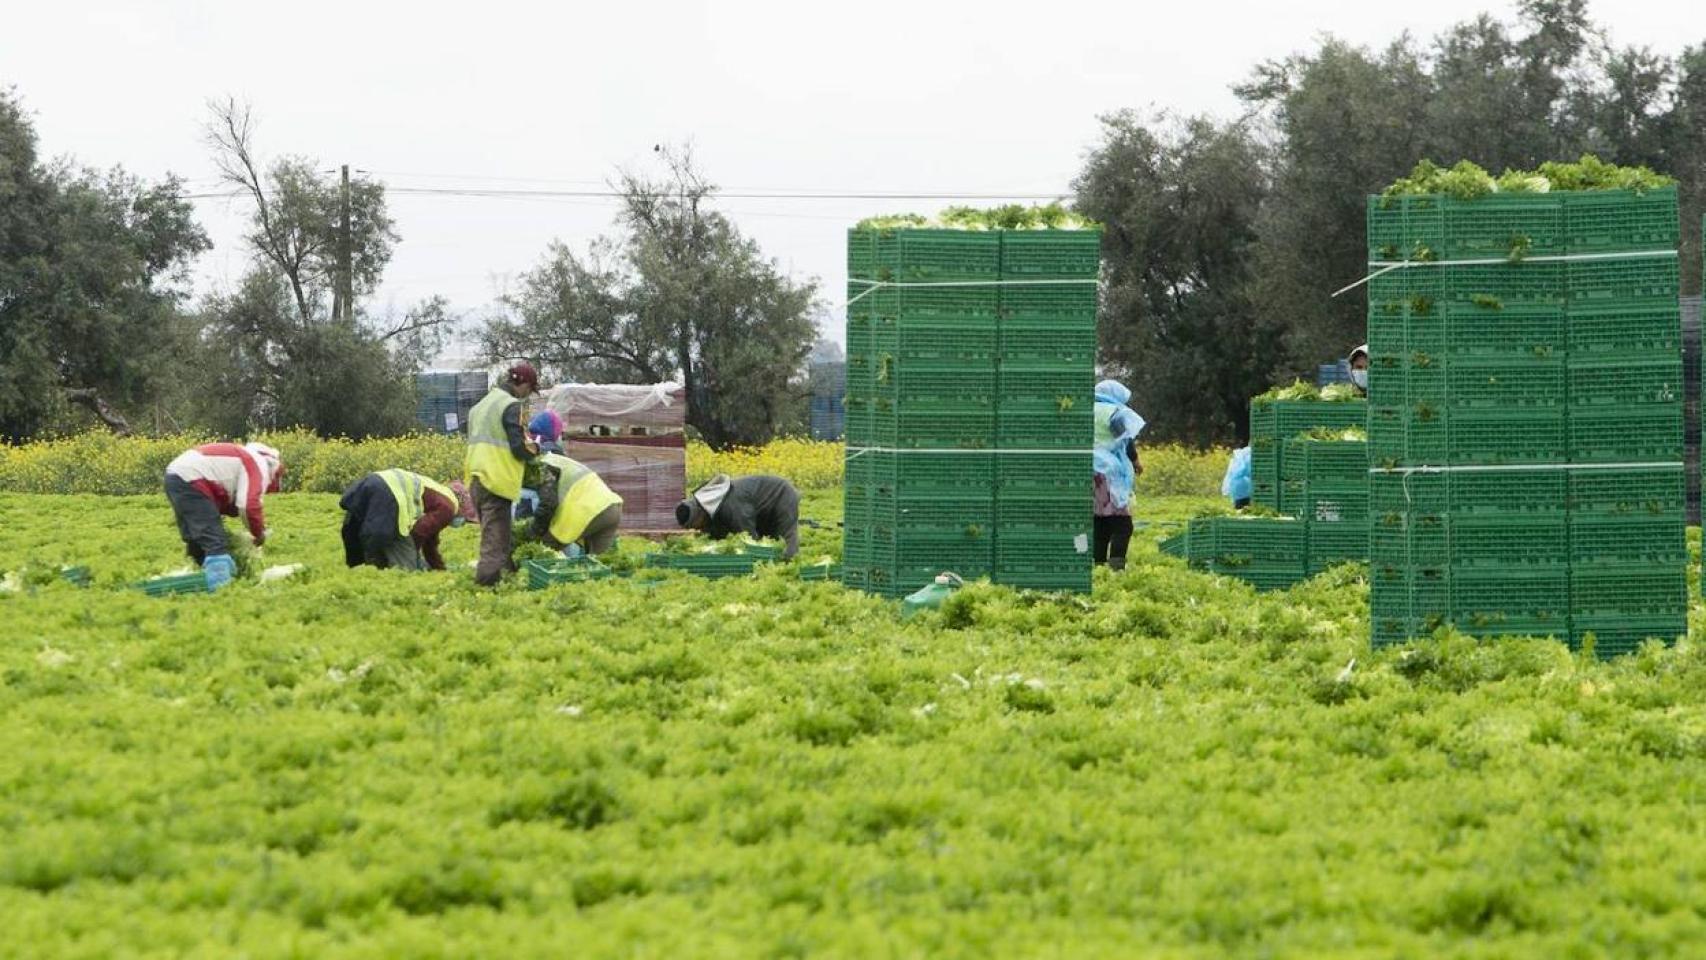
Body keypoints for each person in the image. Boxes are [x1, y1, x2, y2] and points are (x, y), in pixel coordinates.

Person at [163, 441, 283, 590]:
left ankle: (202, 581)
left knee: (196, 539)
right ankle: (221, 589)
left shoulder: (242, 457)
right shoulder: (258, 464)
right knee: (215, 542)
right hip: (193, 478)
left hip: (174, 476)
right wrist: (259, 534)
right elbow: (249, 505)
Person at [465, 362, 542, 586]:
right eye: (530, 389)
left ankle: (507, 577)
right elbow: (519, 447)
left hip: (476, 477)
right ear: (524, 384)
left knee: (498, 535)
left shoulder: (481, 405)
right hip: (496, 479)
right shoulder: (511, 406)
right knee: (495, 540)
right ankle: (486, 589)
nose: (528, 394)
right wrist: (536, 448)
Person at [339, 470, 476, 571]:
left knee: (373, 535)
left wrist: (438, 568)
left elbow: (430, 541)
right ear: (463, 508)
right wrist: (413, 555)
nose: (463, 523)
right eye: (466, 519)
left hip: (373, 481)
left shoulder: (440, 492)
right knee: (406, 569)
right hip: (389, 494)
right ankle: (377, 569)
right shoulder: (449, 507)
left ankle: (370, 569)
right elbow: (419, 531)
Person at [676, 474, 801, 559]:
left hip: (781, 495)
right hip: (761, 510)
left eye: (693, 525)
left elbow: (748, 535)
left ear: (699, 514)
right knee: (771, 544)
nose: (695, 529)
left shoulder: (732, 507)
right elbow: (718, 535)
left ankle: (792, 564)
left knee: (786, 538)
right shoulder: (710, 508)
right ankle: (772, 565)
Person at [524, 453, 624, 558]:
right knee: (599, 563)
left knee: (545, 550)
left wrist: (535, 531)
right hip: (612, 508)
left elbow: (548, 503)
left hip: (588, 512)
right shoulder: (558, 461)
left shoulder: (541, 468)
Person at [1092, 379, 1145, 571]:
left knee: (1099, 521)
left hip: (1089, 472)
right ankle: (1116, 568)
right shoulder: (1113, 413)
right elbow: (1125, 441)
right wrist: (1136, 461)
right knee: (1123, 525)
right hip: (1109, 472)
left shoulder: (1086, 411)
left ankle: (1097, 566)